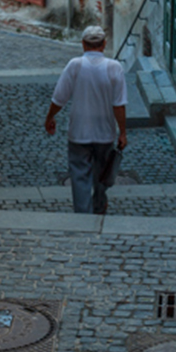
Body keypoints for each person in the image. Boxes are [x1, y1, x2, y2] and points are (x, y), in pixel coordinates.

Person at [44, 25, 126, 214]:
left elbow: (59, 98)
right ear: (104, 44)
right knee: (102, 176)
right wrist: (123, 132)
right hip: (105, 133)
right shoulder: (115, 68)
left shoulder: (75, 65)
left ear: (83, 44)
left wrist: (50, 117)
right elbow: (119, 105)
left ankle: (82, 215)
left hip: (79, 133)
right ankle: (98, 206)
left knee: (79, 177)